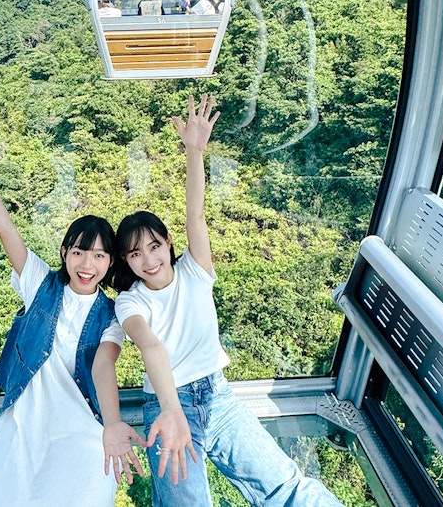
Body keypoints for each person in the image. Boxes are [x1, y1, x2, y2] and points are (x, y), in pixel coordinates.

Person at [113, 95, 344, 506]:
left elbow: (195, 215)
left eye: (153, 246)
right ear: (127, 262)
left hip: (217, 397)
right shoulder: (131, 303)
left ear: (168, 242)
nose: (147, 260)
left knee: (288, 489)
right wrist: (171, 411)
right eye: (134, 254)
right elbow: (151, 347)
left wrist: (195, 152)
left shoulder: (195, 271)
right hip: (170, 403)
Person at [0, 120, 145, 506]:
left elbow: (103, 365)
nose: (87, 264)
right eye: (79, 251)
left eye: (98, 255)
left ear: (110, 262)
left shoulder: (111, 314)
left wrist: (112, 423)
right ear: (65, 253)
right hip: (25, 420)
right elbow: (3, 225)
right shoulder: (40, 284)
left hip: (79, 422)